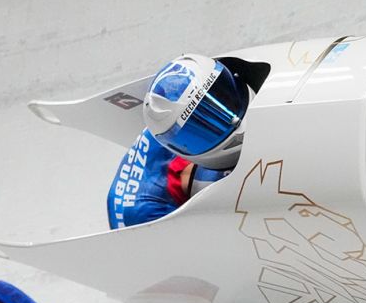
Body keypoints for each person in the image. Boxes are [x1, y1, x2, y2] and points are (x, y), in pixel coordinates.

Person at [106, 53, 262, 228]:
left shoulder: (170, 122)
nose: (232, 120)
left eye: (223, 95)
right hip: (146, 221)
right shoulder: (142, 215)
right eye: (202, 125)